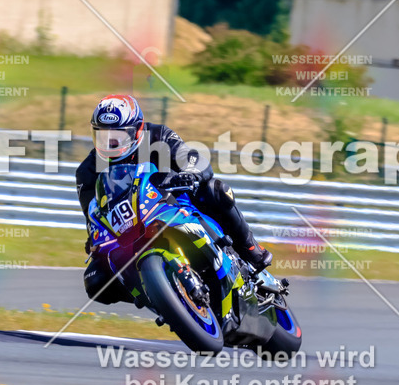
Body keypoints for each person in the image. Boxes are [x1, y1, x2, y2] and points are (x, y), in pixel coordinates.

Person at [76, 94, 272, 304]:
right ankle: (157, 296)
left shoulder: (158, 135)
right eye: (102, 136)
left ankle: (250, 249)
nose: (110, 143)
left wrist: (191, 172)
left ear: (137, 130)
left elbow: (193, 159)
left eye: (117, 136)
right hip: (130, 229)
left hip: (174, 203)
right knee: (96, 280)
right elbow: (92, 215)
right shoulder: (87, 172)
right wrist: (96, 240)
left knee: (216, 190)